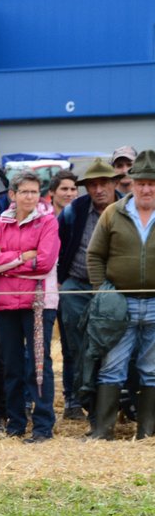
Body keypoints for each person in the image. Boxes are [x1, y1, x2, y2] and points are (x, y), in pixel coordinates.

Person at [0, 171, 60, 441]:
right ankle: (15, 424)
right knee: (11, 365)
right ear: (12, 194)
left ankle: (43, 425)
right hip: (5, 304)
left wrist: (5, 264)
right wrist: (23, 257)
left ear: (40, 195)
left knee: (37, 364)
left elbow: (45, 264)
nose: (29, 196)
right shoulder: (0, 224)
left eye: (34, 192)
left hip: (38, 303)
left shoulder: (48, 223)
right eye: (24, 191)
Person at [85, 149, 155, 439]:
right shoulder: (114, 213)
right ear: (132, 183)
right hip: (119, 305)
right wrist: (104, 293)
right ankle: (103, 431)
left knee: (151, 369)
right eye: (141, 183)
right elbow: (94, 255)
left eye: (152, 183)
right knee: (112, 367)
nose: (147, 188)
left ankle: (147, 431)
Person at [58, 158, 121, 420]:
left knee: (113, 344)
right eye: (92, 185)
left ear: (114, 183)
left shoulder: (127, 207)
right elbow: (59, 243)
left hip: (113, 287)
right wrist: (60, 281)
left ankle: (114, 400)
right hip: (76, 283)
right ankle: (75, 400)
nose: (98, 189)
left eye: (103, 183)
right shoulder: (74, 210)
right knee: (75, 344)